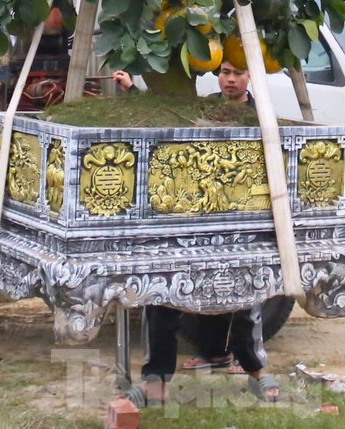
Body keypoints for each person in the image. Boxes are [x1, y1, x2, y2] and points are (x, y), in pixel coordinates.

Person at [112, 59, 281, 405]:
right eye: (225, 73)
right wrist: (132, 91)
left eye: (237, 73)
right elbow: (165, 114)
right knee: (161, 294)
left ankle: (257, 370)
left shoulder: (262, 115)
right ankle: (156, 381)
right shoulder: (204, 107)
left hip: (238, 221)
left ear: (251, 77)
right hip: (189, 218)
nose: (230, 80)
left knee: (247, 297)